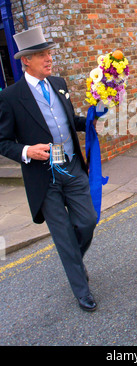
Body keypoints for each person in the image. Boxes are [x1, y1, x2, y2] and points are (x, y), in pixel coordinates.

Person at [0, 26, 99, 310]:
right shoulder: (10, 97)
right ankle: (82, 290)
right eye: (40, 54)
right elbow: (2, 141)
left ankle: (74, 264)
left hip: (72, 166)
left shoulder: (59, 83)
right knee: (64, 235)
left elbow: (68, 120)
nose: (48, 58)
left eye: (48, 52)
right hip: (44, 178)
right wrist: (26, 151)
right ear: (25, 61)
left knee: (88, 221)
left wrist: (88, 121)